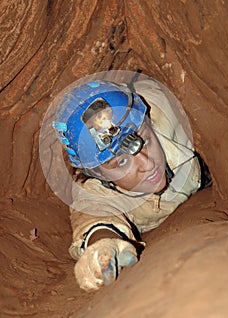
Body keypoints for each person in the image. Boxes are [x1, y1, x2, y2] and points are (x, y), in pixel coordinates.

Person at [52, 76, 212, 291]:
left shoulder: (170, 111)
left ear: (149, 122)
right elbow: (95, 220)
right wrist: (101, 248)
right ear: (98, 173)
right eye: (121, 162)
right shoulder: (95, 190)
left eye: (144, 141)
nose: (147, 164)